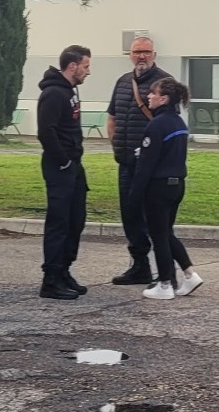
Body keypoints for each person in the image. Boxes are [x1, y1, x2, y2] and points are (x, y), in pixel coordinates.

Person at [105, 36, 173, 286]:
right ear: (130, 55)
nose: (141, 56)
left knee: (153, 218)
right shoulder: (123, 82)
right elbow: (112, 117)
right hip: (126, 162)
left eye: (146, 51)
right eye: (136, 52)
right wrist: (115, 144)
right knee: (130, 215)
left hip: (152, 166)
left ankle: (166, 273)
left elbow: (169, 123)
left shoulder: (165, 83)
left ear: (154, 54)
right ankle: (139, 266)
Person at [128, 77, 202, 301]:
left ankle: (164, 283)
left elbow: (146, 165)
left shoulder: (157, 125)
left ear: (164, 99)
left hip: (158, 187)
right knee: (166, 232)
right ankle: (189, 274)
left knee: (158, 235)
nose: (149, 96)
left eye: (153, 93)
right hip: (177, 184)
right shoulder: (179, 123)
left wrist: (134, 195)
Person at [36, 45, 93, 300]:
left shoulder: (70, 91)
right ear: (73, 66)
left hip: (74, 166)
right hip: (61, 167)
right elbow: (46, 132)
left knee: (76, 219)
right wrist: (64, 162)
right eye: (86, 66)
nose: (88, 72)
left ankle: (64, 271)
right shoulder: (53, 94)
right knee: (59, 222)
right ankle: (50, 279)